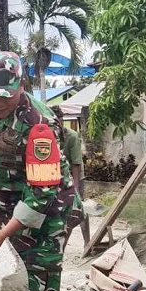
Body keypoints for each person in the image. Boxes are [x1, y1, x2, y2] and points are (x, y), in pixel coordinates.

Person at [0, 51, 83, 291]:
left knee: (39, 290)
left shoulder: (39, 124)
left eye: (6, 94)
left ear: (20, 85)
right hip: (11, 208)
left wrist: (2, 235)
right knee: (18, 274)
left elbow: (41, 195)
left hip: (50, 214)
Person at [52, 105, 89, 245]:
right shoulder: (50, 135)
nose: (58, 124)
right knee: (64, 213)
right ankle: (62, 244)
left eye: (60, 120)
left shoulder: (71, 136)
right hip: (60, 178)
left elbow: (76, 164)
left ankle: (87, 242)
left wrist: (76, 190)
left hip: (76, 176)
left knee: (79, 210)